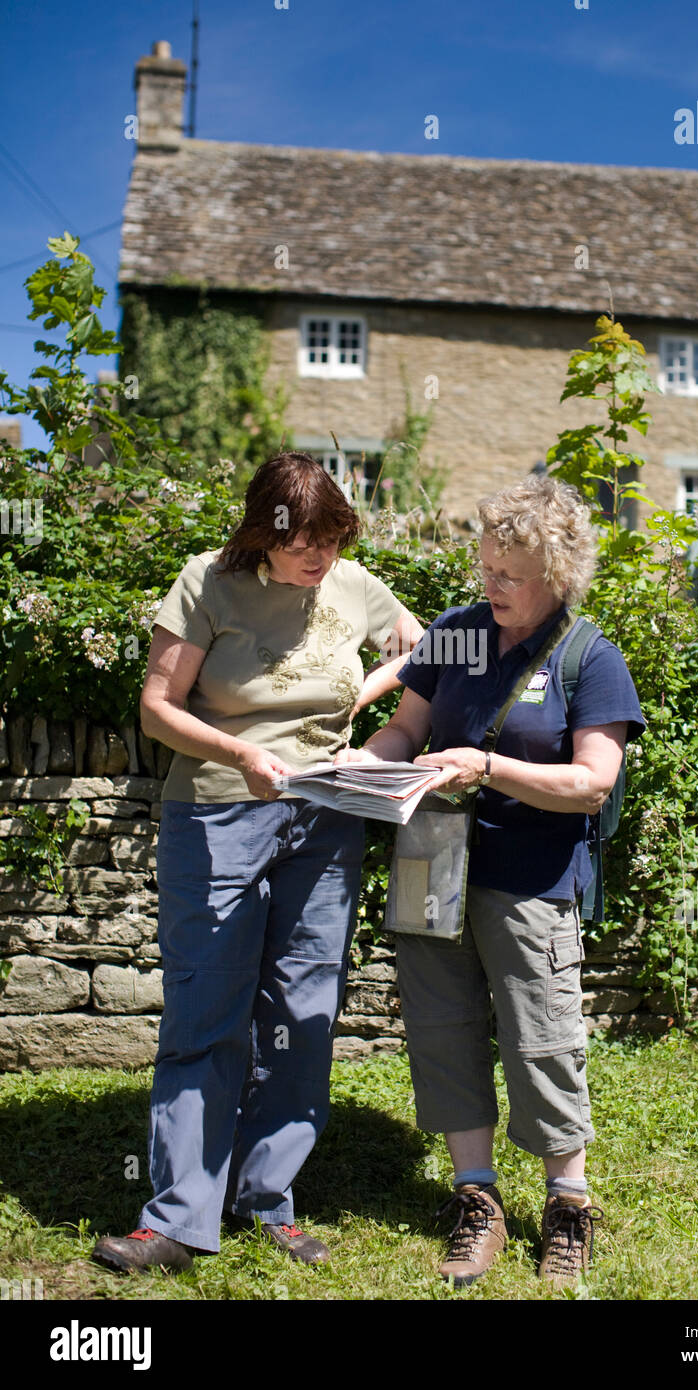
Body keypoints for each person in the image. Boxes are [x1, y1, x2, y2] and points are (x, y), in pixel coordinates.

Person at [92, 452, 423, 1274]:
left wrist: (364, 698)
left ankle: (267, 1198)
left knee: (303, 1010)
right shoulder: (206, 581)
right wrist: (238, 754)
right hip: (217, 812)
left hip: (325, 816)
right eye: (303, 543)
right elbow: (158, 710)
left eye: (333, 541)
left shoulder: (355, 585)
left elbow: (425, 651)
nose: (320, 559)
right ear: (262, 534)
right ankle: (177, 1219)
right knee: (208, 1012)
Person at [338, 474, 645, 1288]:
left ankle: (567, 1206)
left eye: (508, 574)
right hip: (430, 869)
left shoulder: (590, 658)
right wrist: (348, 772)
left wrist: (486, 766)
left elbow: (592, 784)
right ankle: (477, 1201)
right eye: (485, 569)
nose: (490, 586)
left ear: (557, 570)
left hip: (531, 881)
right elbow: (403, 731)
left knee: (541, 1040)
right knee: (441, 1032)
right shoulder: (455, 635)